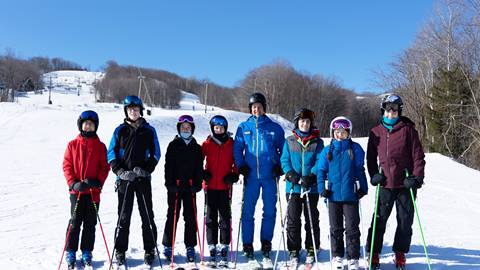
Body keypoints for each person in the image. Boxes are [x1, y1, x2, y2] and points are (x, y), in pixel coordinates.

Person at [365, 94, 425, 269]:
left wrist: (416, 178)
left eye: (395, 110)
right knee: (379, 218)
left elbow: (418, 156)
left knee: (405, 220)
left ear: (399, 111)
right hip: (385, 183)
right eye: (388, 110)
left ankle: (400, 252)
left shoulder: (408, 130)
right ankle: (374, 252)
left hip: (405, 184)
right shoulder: (376, 131)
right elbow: (370, 158)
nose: (391, 113)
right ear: (383, 111)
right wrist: (374, 174)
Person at [107, 95, 161, 267]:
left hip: (143, 179)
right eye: (130, 109)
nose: (133, 112)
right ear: (126, 111)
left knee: (147, 215)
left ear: (140, 111)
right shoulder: (120, 130)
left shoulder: (149, 130)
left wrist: (146, 170)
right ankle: (120, 250)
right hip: (125, 180)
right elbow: (111, 153)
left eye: (136, 109)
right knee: (124, 216)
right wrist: (120, 171)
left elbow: (156, 153)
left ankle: (150, 249)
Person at [233, 92, 285, 266]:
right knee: (248, 211)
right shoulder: (243, 127)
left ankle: (266, 243)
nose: (256, 109)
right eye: (253, 107)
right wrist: (241, 166)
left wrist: (280, 166)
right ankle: (247, 245)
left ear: (264, 108)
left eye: (259, 107)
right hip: (251, 177)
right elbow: (237, 149)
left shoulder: (275, 128)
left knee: (269, 211)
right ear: (250, 109)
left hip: (269, 176)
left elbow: (283, 150)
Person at [316, 116, 368, 270]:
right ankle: (337, 256)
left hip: (350, 195)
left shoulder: (355, 148)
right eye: (337, 132)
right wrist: (321, 188)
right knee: (335, 227)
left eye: (343, 132)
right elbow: (321, 170)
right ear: (333, 133)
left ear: (348, 133)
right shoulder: (328, 150)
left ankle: (353, 258)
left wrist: (363, 188)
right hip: (332, 196)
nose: (340, 134)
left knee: (352, 227)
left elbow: (359, 169)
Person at [63, 110, 110, 268]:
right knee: (75, 222)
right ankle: (70, 251)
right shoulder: (72, 145)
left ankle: (86, 251)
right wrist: (73, 183)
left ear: (95, 127)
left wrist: (98, 182)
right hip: (76, 192)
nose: (88, 127)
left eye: (91, 124)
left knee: (90, 223)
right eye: (86, 124)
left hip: (93, 193)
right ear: (81, 125)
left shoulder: (101, 146)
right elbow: (67, 166)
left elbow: (105, 167)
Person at [280, 108, 324, 266]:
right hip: (293, 187)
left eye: (307, 121)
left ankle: (312, 247)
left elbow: (320, 160)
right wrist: (290, 173)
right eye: (302, 121)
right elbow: (284, 160)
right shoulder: (290, 140)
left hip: (310, 187)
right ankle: (293, 249)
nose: (305, 124)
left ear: (311, 123)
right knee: (293, 219)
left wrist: (311, 175)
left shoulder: (318, 142)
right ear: (297, 123)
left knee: (311, 218)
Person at [162, 115, 204, 264]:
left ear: (192, 129)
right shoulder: (173, 145)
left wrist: (198, 184)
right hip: (175, 187)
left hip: (190, 187)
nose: (185, 130)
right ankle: (168, 246)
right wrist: (170, 184)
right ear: (179, 129)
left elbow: (199, 168)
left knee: (191, 217)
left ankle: (190, 246)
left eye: (188, 128)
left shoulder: (197, 148)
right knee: (172, 216)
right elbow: (168, 167)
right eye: (183, 128)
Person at [201, 115, 239, 266]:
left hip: (224, 187)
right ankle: (212, 245)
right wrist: (202, 173)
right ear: (212, 129)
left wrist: (234, 175)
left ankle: (224, 245)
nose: (219, 130)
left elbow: (236, 161)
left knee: (224, 217)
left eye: (222, 128)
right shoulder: (207, 143)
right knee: (210, 217)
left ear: (225, 128)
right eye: (216, 128)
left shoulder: (231, 143)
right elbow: (198, 160)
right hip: (209, 186)